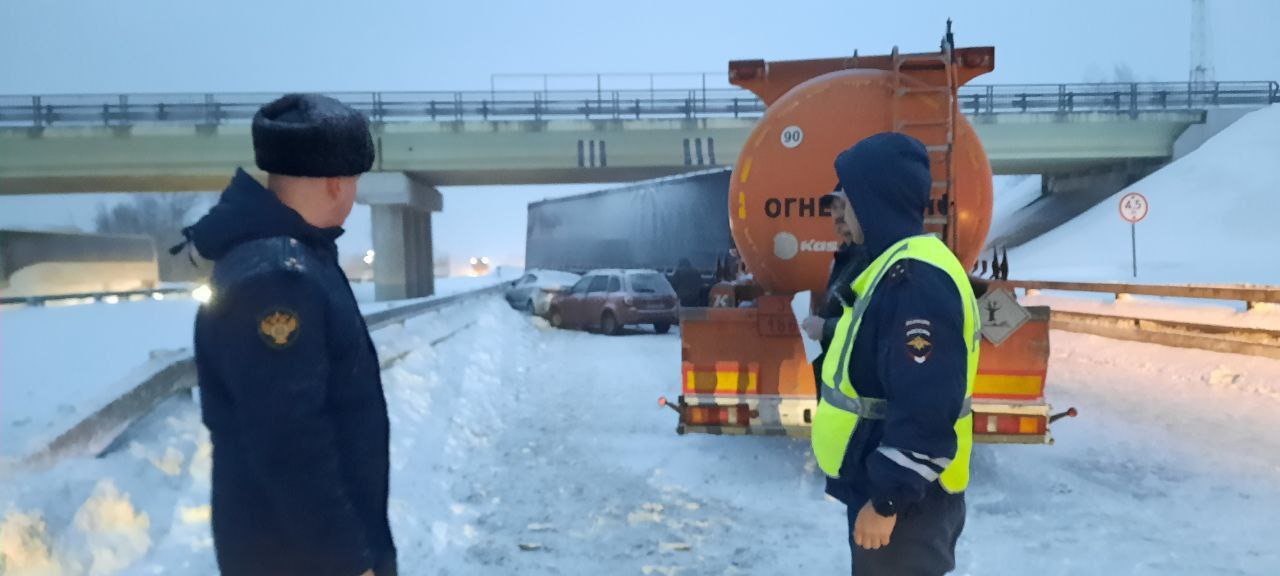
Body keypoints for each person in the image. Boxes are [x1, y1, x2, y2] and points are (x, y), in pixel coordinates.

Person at [180, 94, 396, 576]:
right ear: (337, 184)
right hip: (299, 558)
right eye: (355, 182)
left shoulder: (290, 258)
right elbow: (290, 441)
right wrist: (346, 560)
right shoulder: (279, 278)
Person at [811, 132, 979, 575]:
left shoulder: (915, 280)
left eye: (845, 199)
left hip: (909, 505)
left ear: (873, 199)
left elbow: (926, 406)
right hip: (895, 492)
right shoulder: (893, 267)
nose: (837, 213)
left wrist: (887, 500)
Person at [801, 188, 869, 397]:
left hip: (855, 394)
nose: (838, 215)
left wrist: (825, 328)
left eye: (844, 206)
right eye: (833, 208)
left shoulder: (869, 258)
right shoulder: (845, 257)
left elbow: (874, 324)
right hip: (835, 391)